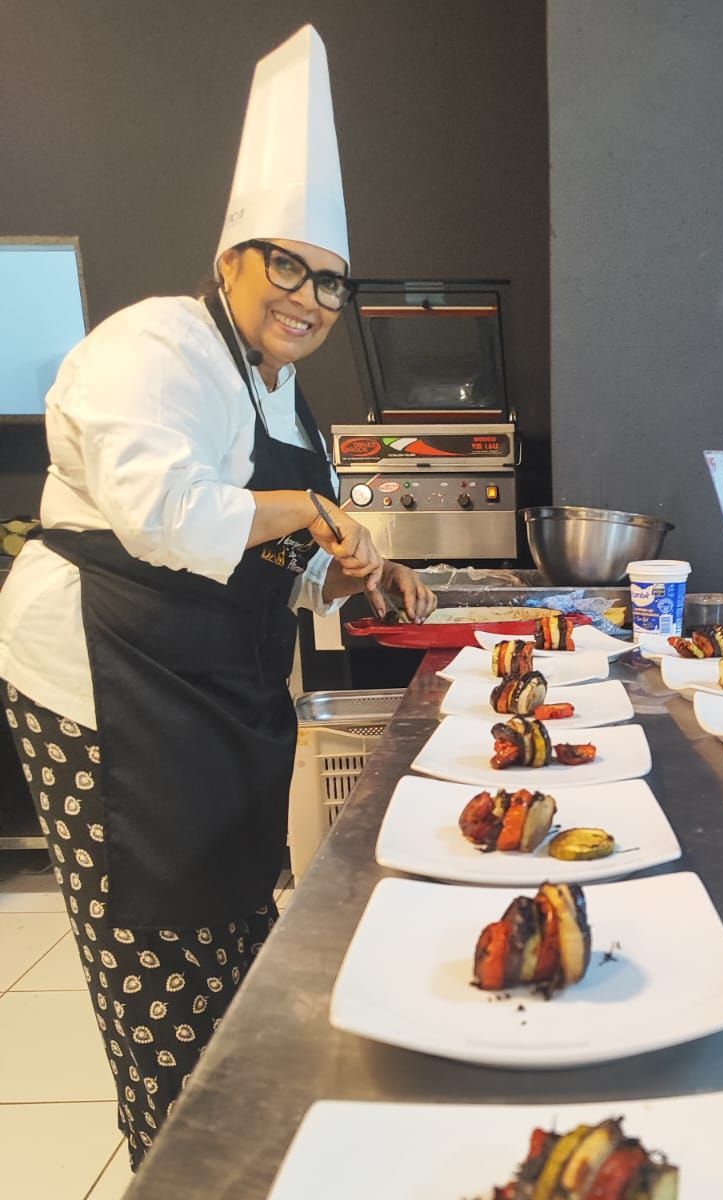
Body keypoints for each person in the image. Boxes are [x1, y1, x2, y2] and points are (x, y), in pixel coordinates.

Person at [0, 26, 434, 1168]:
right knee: (163, 982)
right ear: (231, 257)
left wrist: (354, 563)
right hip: (110, 696)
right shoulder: (157, 346)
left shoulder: (281, 396)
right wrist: (309, 518)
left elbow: (272, 562)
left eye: (326, 277)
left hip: (211, 696)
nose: (304, 295)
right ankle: (176, 1165)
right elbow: (167, 517)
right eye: (281, 263)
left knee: (240, 966)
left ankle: (235, 1154)